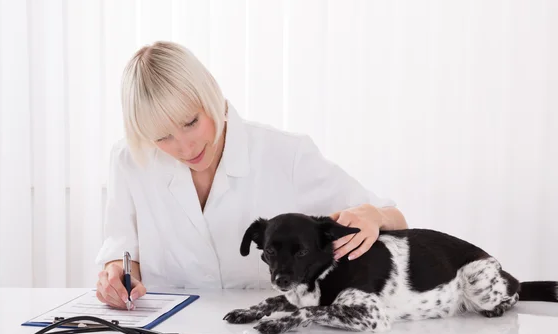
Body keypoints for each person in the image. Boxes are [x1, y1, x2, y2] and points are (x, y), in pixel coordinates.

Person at [94, 41, 408, 309]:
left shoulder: (287, 153)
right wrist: (117, 278)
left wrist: (374, 216)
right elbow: (122, 251)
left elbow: (395, 220)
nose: (185, 147)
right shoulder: (129, 161)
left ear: (210, 95)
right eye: (163, 138)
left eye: (191, 122)